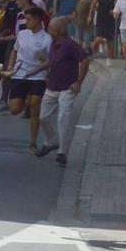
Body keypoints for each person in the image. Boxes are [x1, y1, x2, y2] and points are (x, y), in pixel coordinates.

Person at [41, 15, 89, 165]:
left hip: (67, 87)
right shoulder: (53, 44)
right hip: (52, 85)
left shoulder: (69, 45)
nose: (48, 31)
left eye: (51, 29)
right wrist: (36, 68)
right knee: (43, 117)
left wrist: (79, 81)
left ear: (59, 31)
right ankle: (51, 141)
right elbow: (51, 61)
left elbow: (85, 60)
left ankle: (62, 151)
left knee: (63, 118)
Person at [6, 6, 52, 156]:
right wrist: (10, 65)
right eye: (26, 19)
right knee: (14, 109)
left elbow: (51, 61)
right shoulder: (22, 34)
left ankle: (33, 142)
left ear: (38, 19)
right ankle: (25, 101)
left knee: (35, 107)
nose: (27, 22)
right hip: (19, 75)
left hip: (38, 77)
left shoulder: (47, 39)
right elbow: (14, 51)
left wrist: (42, 63)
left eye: (29, 19)